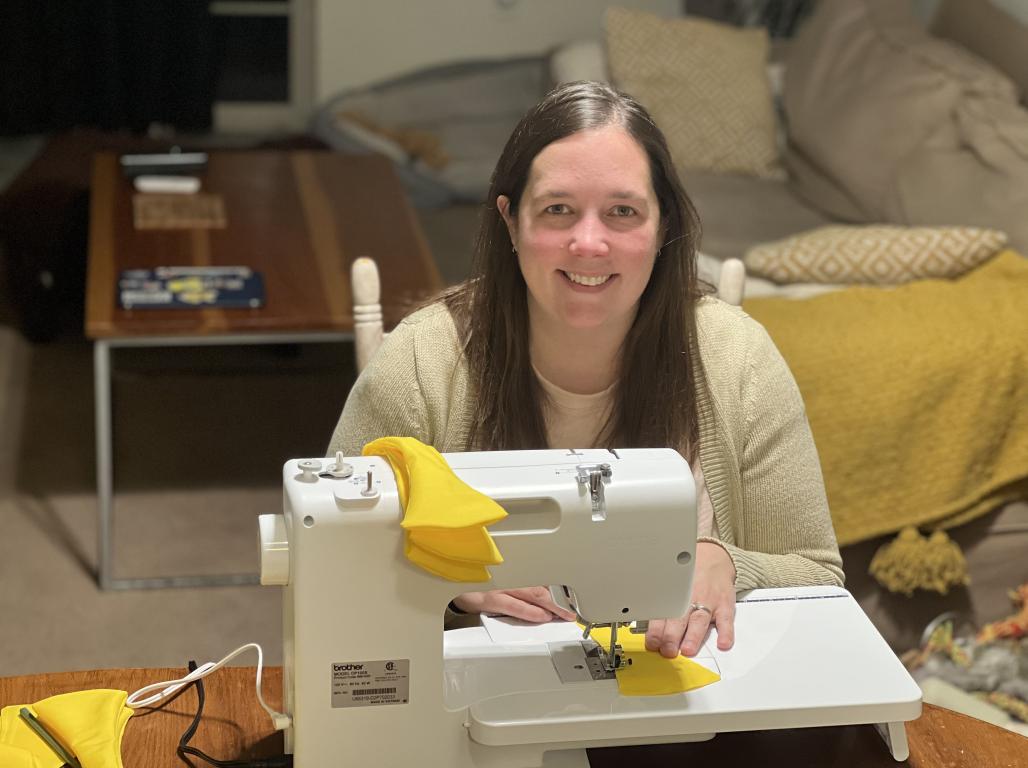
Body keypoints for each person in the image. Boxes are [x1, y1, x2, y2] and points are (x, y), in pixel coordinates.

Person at [328, 81, 843, 659]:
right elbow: (327, 566)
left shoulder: (738, 357)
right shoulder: (421, 364)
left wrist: (729, 562)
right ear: (510, 221)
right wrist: (447, 584)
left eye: (623, 212)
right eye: (557, 210)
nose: (589, 243)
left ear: (662, 225)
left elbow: (816, 572)